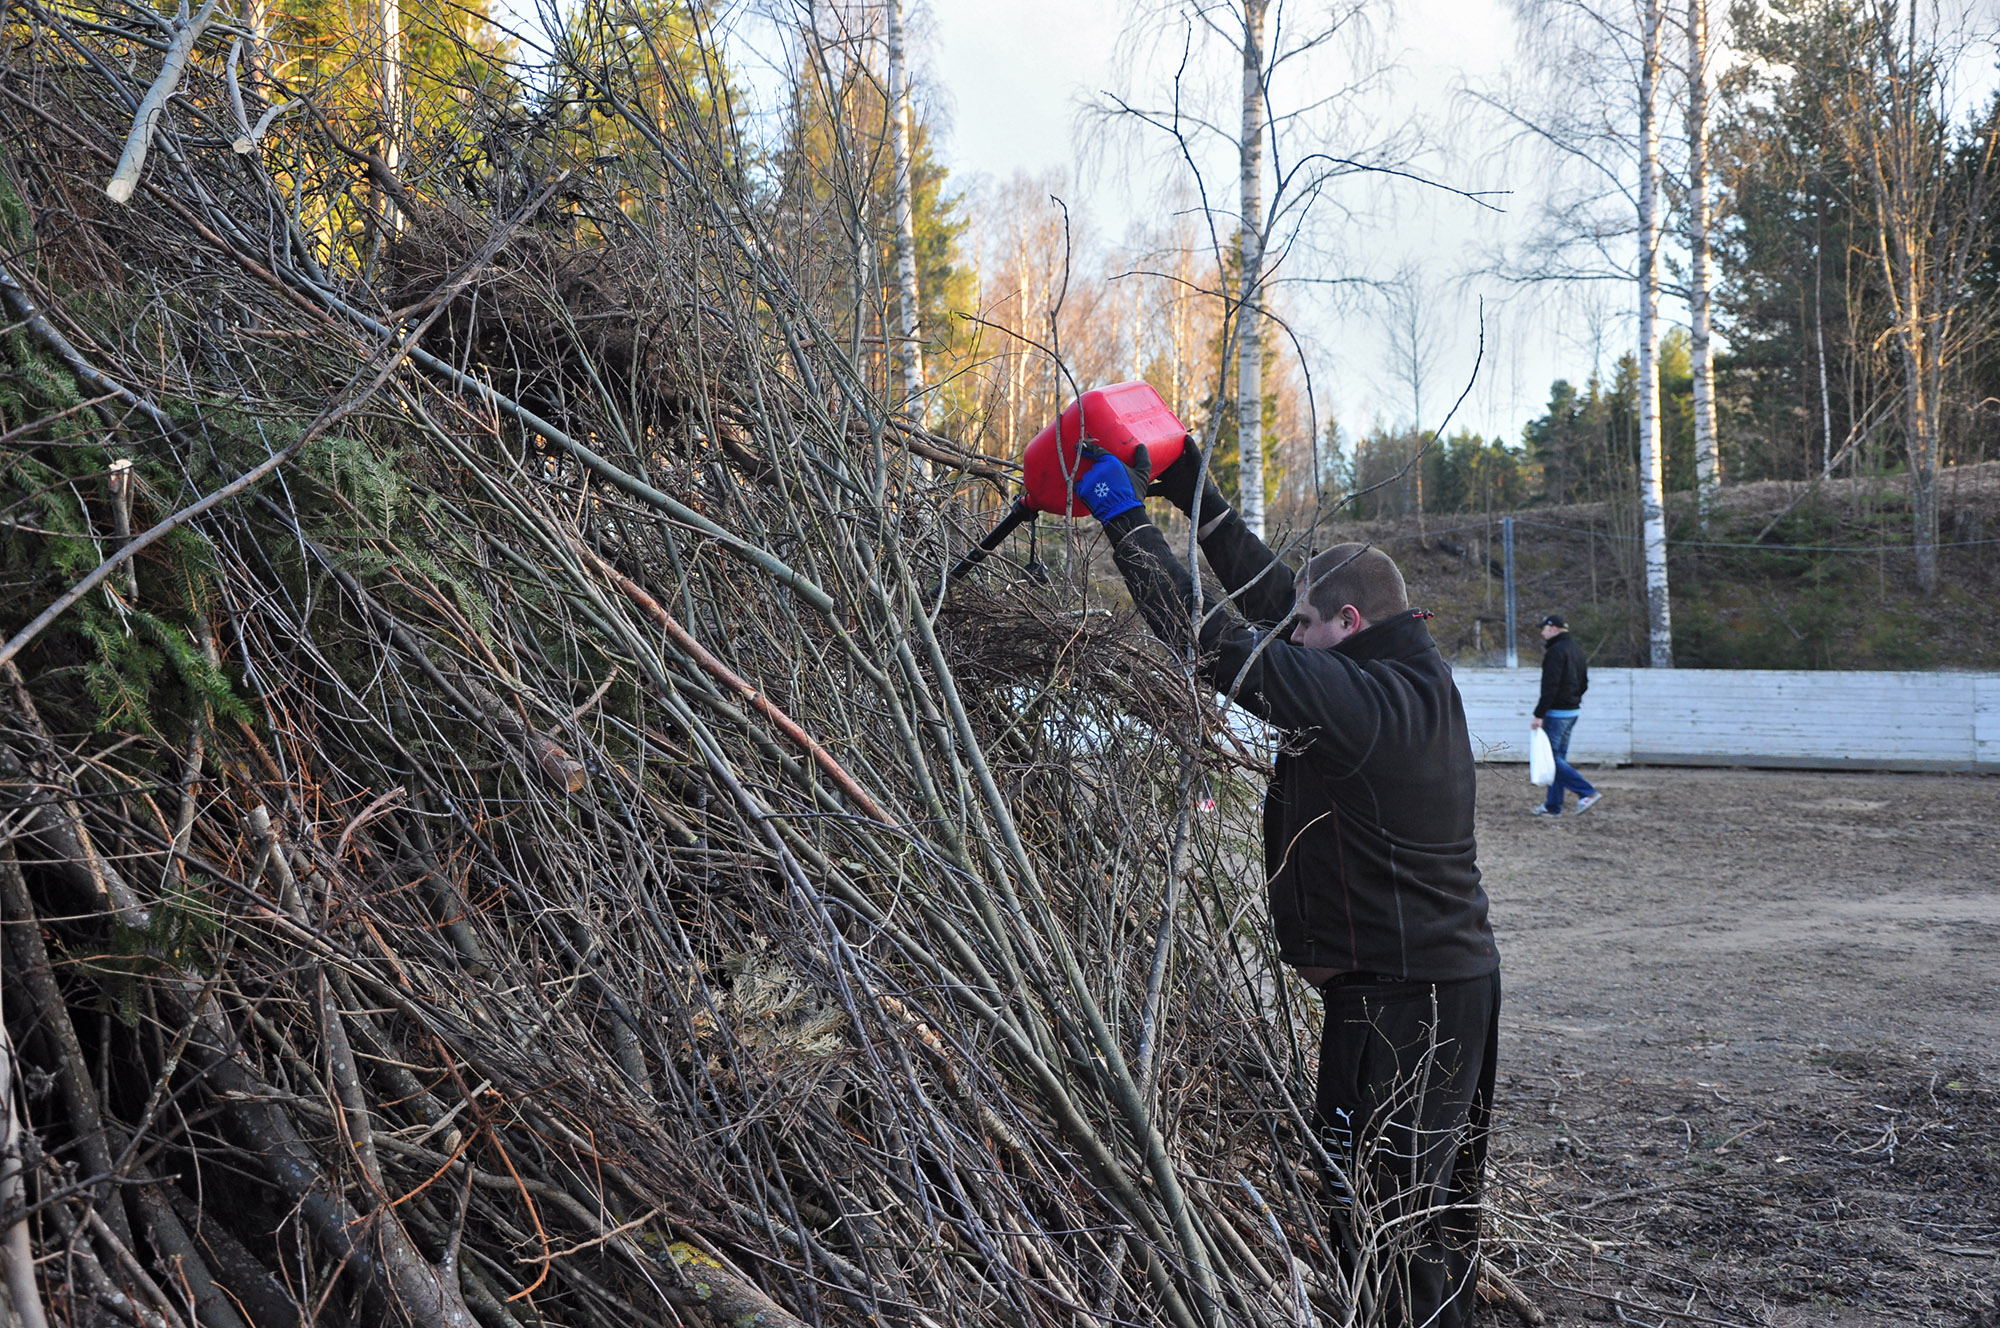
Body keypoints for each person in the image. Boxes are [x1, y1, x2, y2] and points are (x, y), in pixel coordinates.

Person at [1071, 437, 1501, 1328]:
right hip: (1440, 988)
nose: (1289, 634)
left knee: (1382, 1223)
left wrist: (1124, 521)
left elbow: (1219, 642)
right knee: (1427, 1224)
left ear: (1345, 623)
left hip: (1400, 1006)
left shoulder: (1368, 703)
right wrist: (1191, 485)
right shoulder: (1396, 669)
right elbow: (1274, 606)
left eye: (1305, 626)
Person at [1530, 613, 1601, 817]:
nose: (1542, 632)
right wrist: (1573, 700)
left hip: (1557, 712)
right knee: (1558, 758)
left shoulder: (1555, 652)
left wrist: (1539, 714)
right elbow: (1584, 682)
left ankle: (1587, 792)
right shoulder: (1576, 649)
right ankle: (1553, 806)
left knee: (1552, 760)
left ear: (1553, 629)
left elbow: (1550, 687)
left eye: (1543, 628)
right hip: (1572, 711)